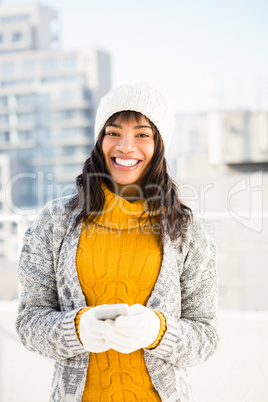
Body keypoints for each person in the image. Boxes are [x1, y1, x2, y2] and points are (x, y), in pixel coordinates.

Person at [16, 82, 219, 402]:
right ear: (99, 141)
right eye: (113, 132)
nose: (125, 146)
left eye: (142, 134)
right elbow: (29, 323)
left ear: (160, 146)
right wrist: (77, 330)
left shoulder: (187, 230)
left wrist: (158, 332)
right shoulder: (54, 223)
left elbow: (206, 335)